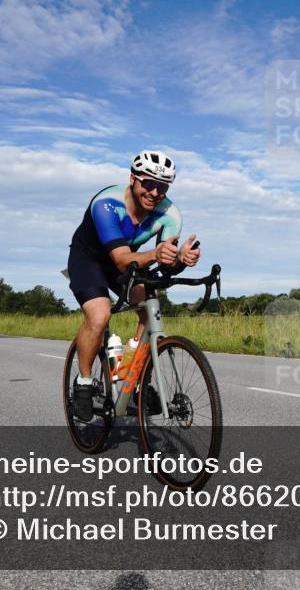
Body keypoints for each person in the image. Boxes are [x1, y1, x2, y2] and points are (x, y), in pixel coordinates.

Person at [67, 150, 200, 420]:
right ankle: (83, 382)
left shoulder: (170, 214)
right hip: (90, 259)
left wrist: (181, 260)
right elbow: (120, 259)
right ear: (132, 179)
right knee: (100, 315)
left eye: (162, 187)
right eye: (148, 183)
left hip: (130, 260)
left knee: (149, 308)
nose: (154, 192)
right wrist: (155, 254)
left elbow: (165, 262)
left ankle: (133, 376)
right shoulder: (106, 204)